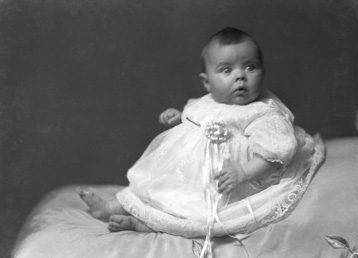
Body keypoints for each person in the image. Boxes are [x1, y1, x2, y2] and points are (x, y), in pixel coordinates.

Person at [79, 27, 325, 238]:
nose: (240, 76)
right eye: (226, 70)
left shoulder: (264, 113)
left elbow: (273, 156)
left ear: (263, 72)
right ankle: (113, 207)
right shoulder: (209, 100)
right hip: (190, 173)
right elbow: (198, 116)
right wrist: (180, 117)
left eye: (250, 67)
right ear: (207, 82)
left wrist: (243, 171)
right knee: (155, 185)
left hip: (228, 184)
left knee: (195, 214)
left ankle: (143, 225)